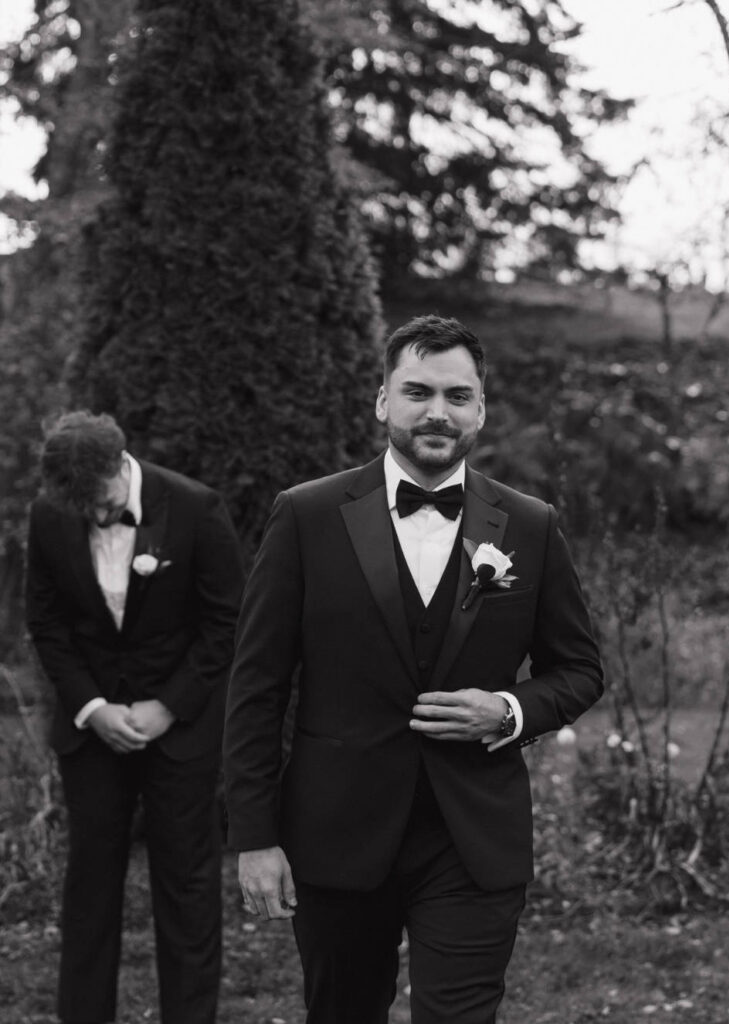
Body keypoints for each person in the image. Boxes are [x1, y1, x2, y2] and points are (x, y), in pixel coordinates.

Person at [223, 314, 604, 1024]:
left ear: (481, 409)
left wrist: (510, 710)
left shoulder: (528, 524)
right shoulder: (306, 515)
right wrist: (254, 835)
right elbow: (256, 686)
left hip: (472, 836)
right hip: (336, 830)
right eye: (417, 392)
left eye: (458, 396)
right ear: (382, 401)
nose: (437, 411)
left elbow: (579, 668)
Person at [25, 411, 244, 1024]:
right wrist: (92, 709)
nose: (95, 518)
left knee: (187, 886)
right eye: (82, 510)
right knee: (90, 888)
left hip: (181, 732)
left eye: (102, 504)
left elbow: (226, 621)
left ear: (122, 465)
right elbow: (46, 624)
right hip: (91, 731)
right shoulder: (49, 514)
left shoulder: (196, 509)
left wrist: (168, 705)